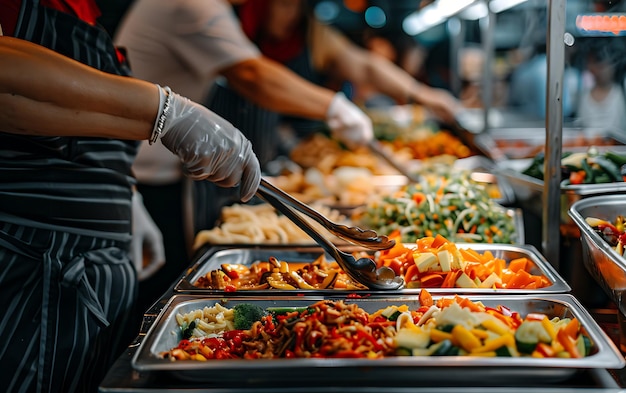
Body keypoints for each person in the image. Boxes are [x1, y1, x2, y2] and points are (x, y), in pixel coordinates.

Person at [0, 28, 260, 393]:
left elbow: (70, 112)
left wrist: (124, 189)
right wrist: (165, 110)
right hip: (34, 257)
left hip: (92, 260)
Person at [114, 0, 375, 310]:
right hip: (142, 181)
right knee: (151, 303)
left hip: (152, 175)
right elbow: (253, 75)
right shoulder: (192, 4)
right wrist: (334, 107)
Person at [237, 0, 461, 125]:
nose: (291, 15)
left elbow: (365, 66)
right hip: (217, 159)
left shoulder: (311, 32)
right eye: (285, 5)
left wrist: (421, 93)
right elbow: (254, 75)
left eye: (297, 6)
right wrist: (334, 107)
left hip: (282, 153)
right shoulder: (234, 22)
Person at [576, 37, 626, 133]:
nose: (601, 70)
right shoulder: (584, 96)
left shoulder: (621, 92)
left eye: (604, 65)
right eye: (598, 65)